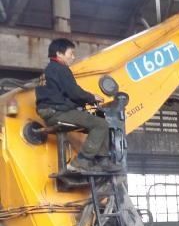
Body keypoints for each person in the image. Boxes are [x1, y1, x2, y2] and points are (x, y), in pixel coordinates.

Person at [35, 38, 119, 173]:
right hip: (57, 112)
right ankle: (81, 162)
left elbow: (63, 94)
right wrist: (92, 98)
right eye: (71, 53)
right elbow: (74, 92)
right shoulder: (61, 69)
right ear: (59, 54)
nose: (73, 57)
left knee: (94, 123)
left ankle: (102, 160)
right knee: (101, 124)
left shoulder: (47, 71)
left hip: (49, 112)